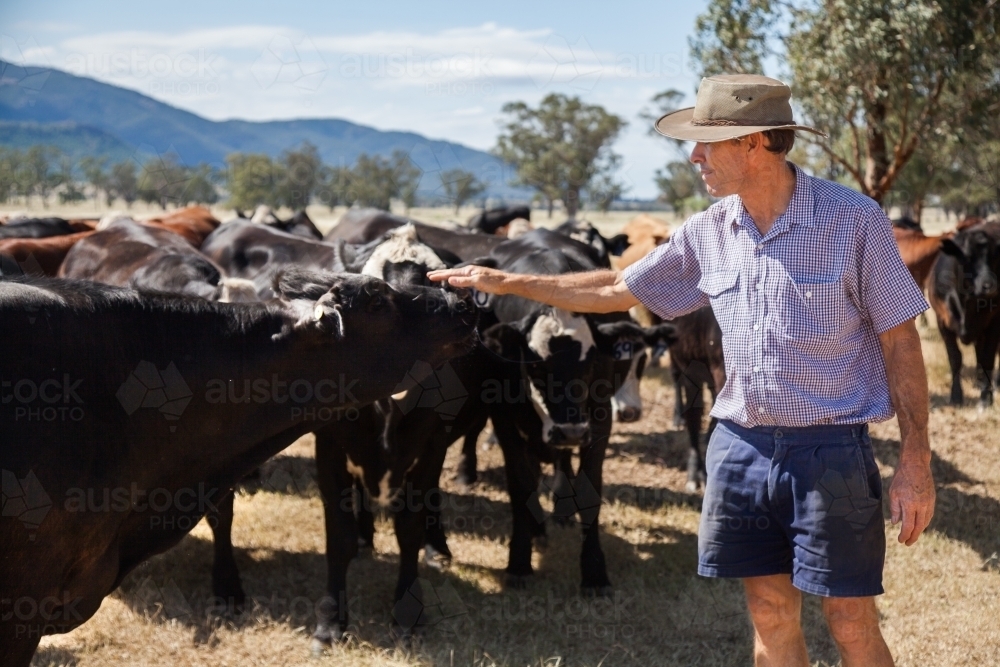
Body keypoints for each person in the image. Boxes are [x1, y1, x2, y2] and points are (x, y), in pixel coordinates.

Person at [429, 74, 936, 667]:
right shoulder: (709, 231)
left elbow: (900, 341)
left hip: (831, 453)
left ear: (754, 143)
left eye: (706, 143)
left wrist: (916, 459)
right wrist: (508, 282)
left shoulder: (854, 220)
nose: (694, 156)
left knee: (850, 621)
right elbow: (619, 286)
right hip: (740, 448)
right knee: (770, 614)